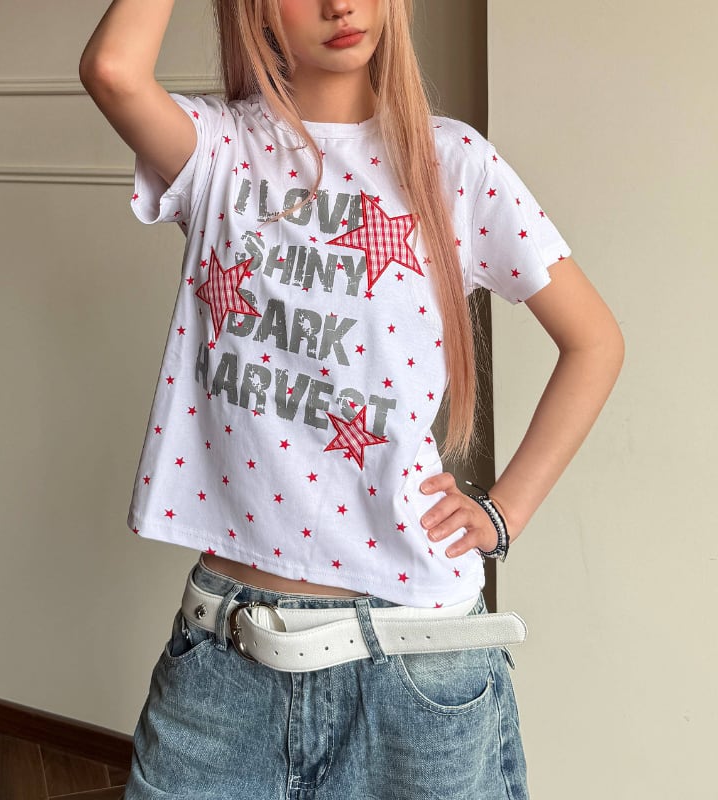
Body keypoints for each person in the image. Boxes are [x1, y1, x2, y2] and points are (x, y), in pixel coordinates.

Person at [80, 1, 623, 797]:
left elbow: (595, 342)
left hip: (418, 664)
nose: (341, 4)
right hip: (229, 655)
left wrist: (504, 512)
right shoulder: (221, 150)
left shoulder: (454, 164)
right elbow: (112, 71)